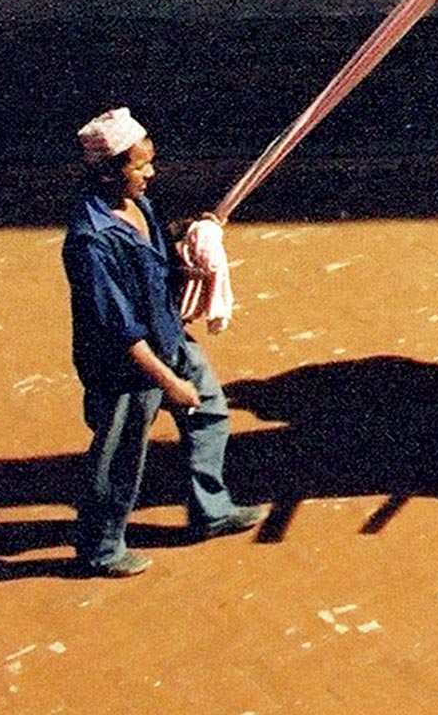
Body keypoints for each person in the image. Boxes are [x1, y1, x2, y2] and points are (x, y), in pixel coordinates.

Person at [62, 106, 268, 577]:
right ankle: (101, 548)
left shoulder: (137, 205)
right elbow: (118, 330)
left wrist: (196, 235)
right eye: (140, 165)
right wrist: (170, 382)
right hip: (128, 365)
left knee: (211, 411)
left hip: (168, 335)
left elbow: (158, 257)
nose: (150, 173)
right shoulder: (91, 240)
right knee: (119, 455)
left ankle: (210, 510)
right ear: (111, 171)